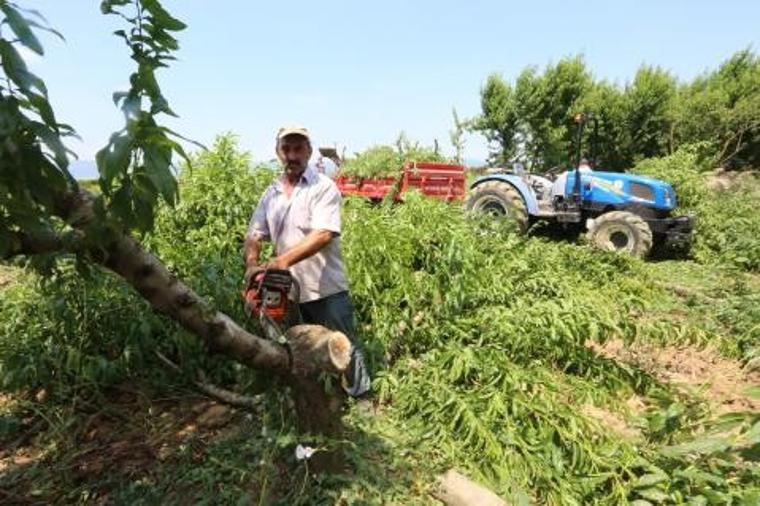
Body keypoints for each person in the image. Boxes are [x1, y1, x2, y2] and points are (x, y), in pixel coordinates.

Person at [244, 125, 371, 398]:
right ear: (278, 152)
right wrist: (252, 264)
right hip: (288, 291)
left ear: (309, 151)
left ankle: (361, 397)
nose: (292, 154)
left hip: (325, 286)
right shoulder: (272, 193)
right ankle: (318, 399)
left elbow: (324, 233)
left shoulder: (322, 187)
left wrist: (281, 261)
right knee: (299, 347)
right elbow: (254, 233)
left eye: (298, 148)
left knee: (343, 344)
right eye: (286, 148)